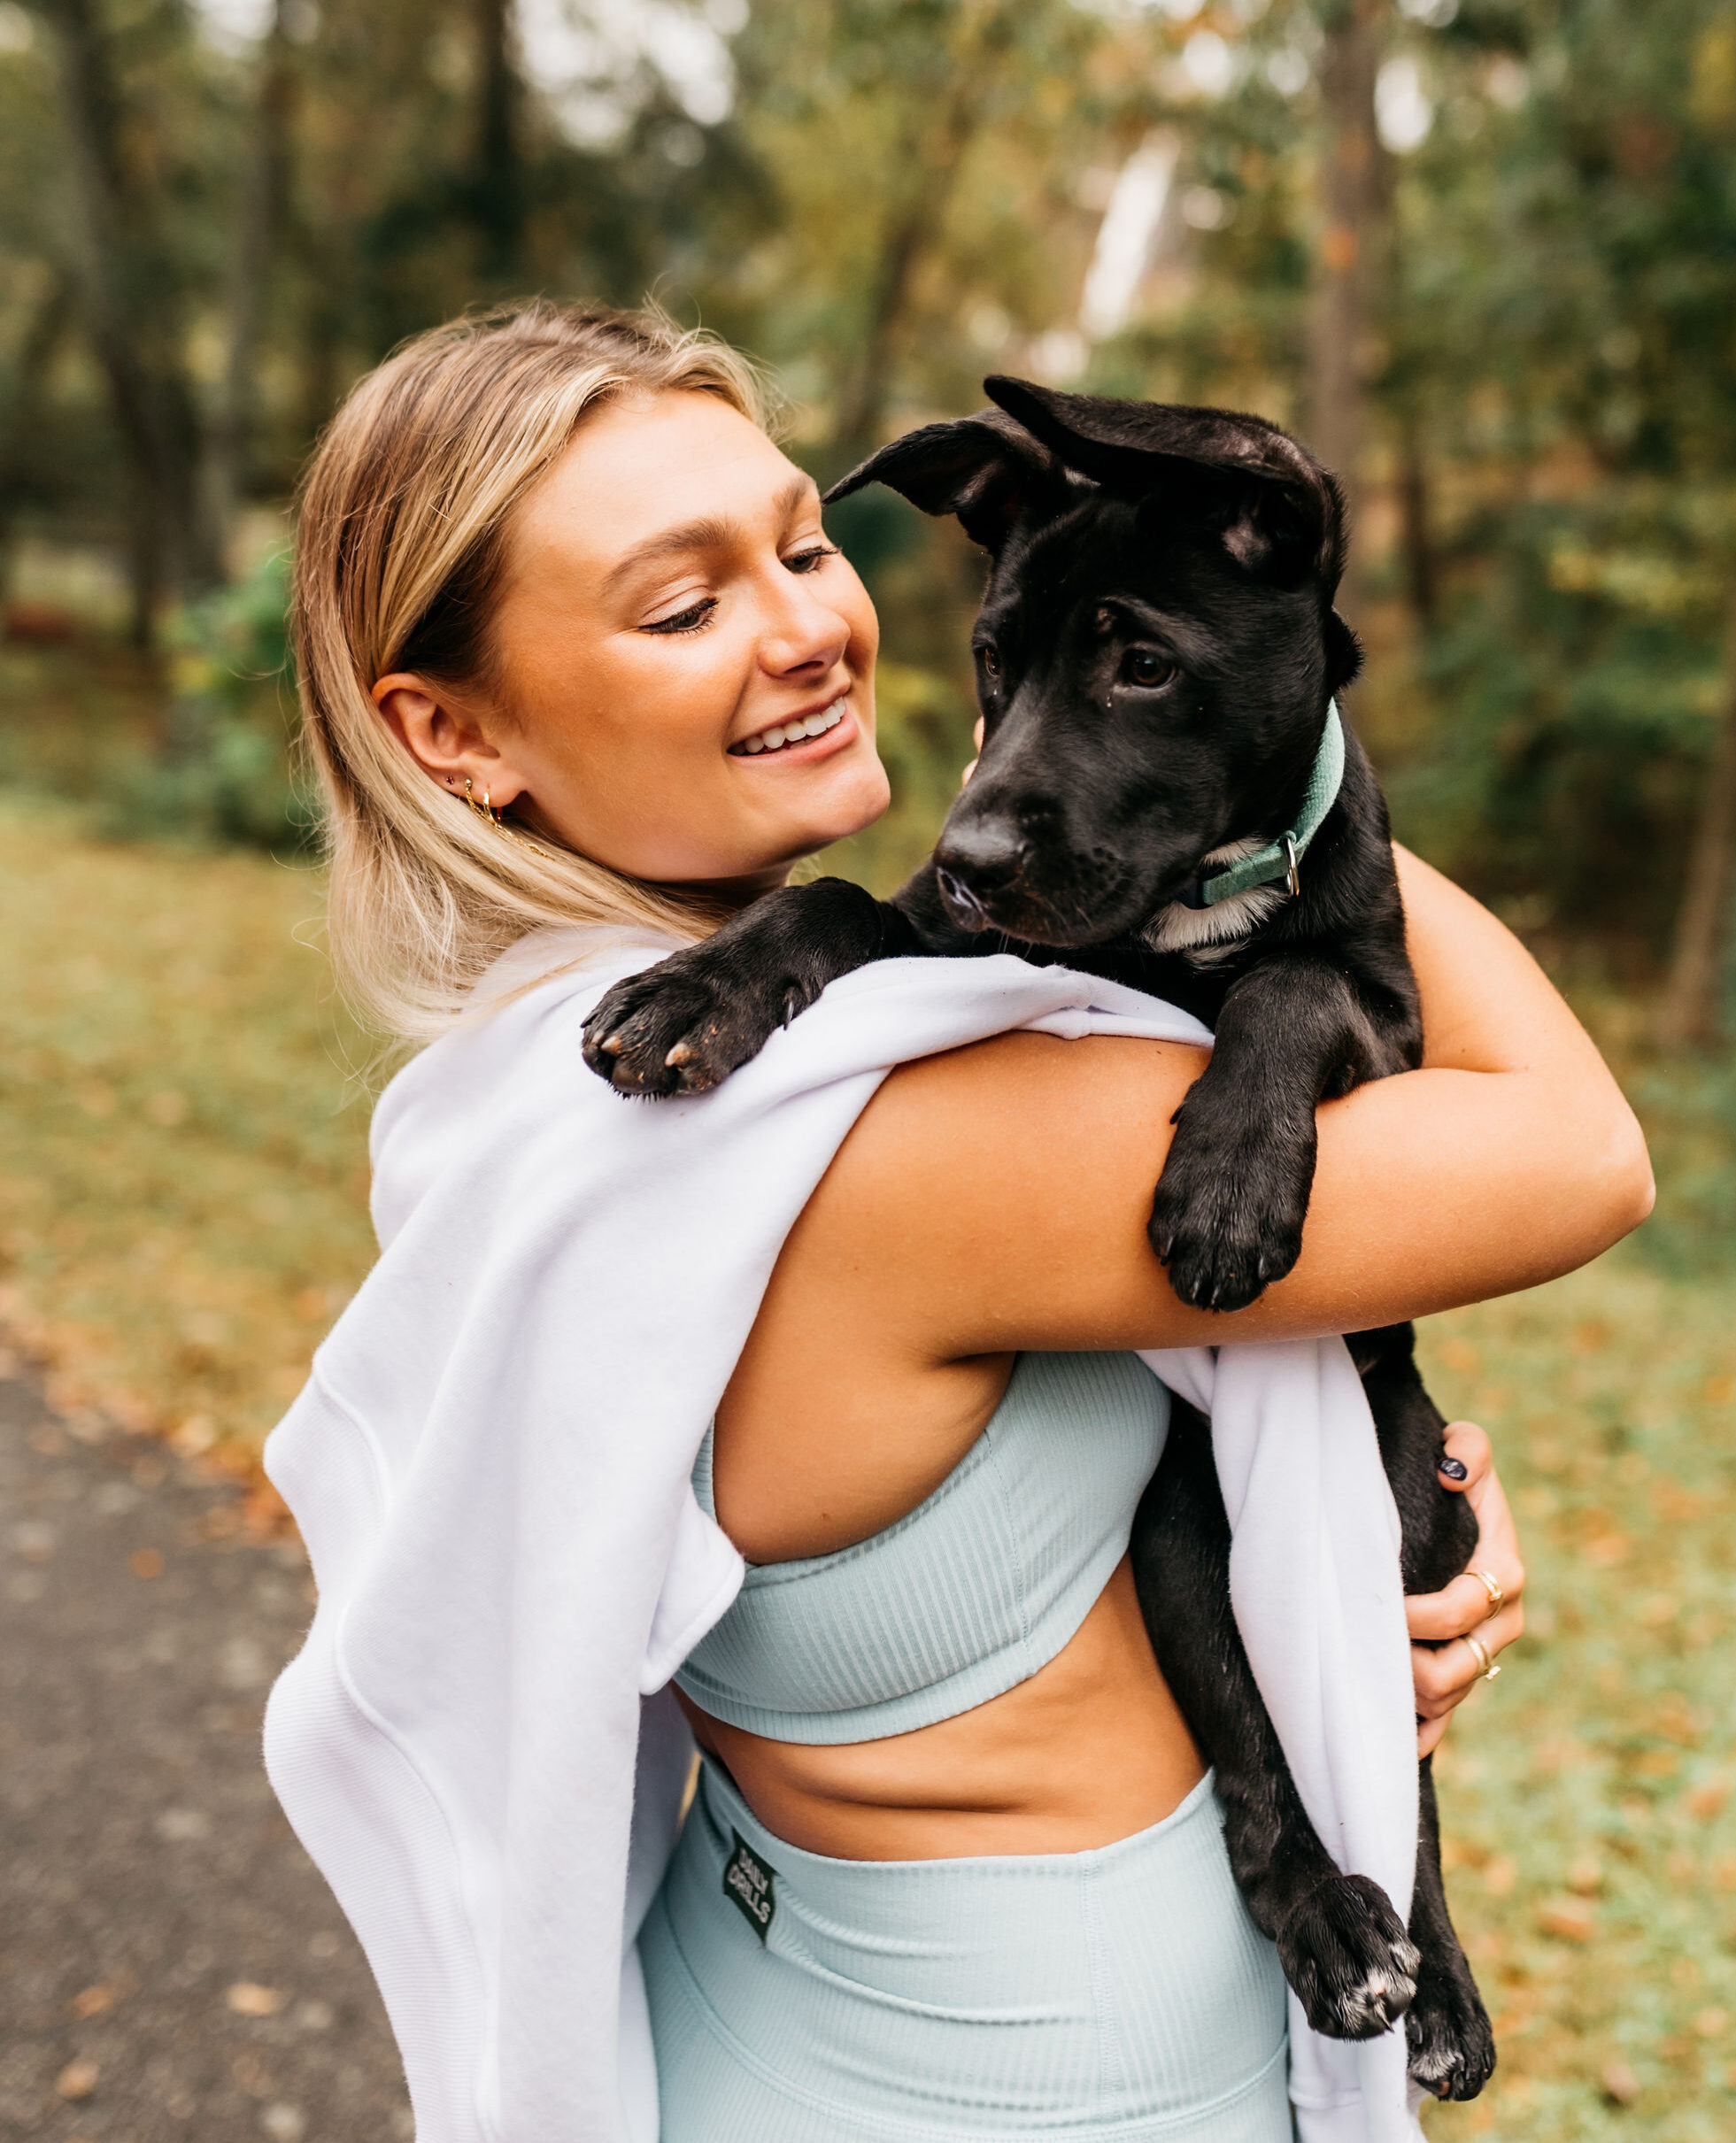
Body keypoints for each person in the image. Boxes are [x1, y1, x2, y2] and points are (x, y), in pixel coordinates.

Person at [286, 300, 1652, 2140]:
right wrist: (1264, 730)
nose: (801, 626)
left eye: (797, 542)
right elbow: (1576, 1150)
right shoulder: (907, 1135)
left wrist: (1355, 1508)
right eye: (683, 604)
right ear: (449, 731)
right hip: (1032, 2088)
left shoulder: (586, 1058)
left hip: (760, 2001)